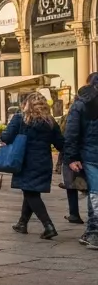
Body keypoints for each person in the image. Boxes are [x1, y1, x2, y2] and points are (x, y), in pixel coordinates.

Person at [3, 93, 65, 240]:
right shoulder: (50, 122)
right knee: (30, 191)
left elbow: (6, 137)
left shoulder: (20, 119)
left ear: (27, 104)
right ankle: (22, 223)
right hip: (43, 162)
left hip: (25, 162)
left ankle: (48, 226)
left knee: (31, 193)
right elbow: (61, 144)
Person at [63, 72, 98, 248]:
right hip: (91, 154)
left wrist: (71, 157)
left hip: (91, 155)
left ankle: (94, 233)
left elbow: (71, 132)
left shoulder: (81, 103)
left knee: (95, 194)